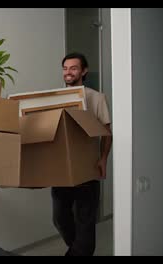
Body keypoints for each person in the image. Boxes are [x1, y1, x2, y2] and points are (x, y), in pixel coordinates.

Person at [51, 52, 113, 256]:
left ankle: (79, 251)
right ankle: (80, 251)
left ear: (84, 71)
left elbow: (107, 132)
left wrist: (103, 158)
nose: (68, 72)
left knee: (85, 221)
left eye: (74, 68)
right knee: (59, 217)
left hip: (88, 169)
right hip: (61, 169)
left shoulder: (96, 98)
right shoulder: (55, 98)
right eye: (65, 68)